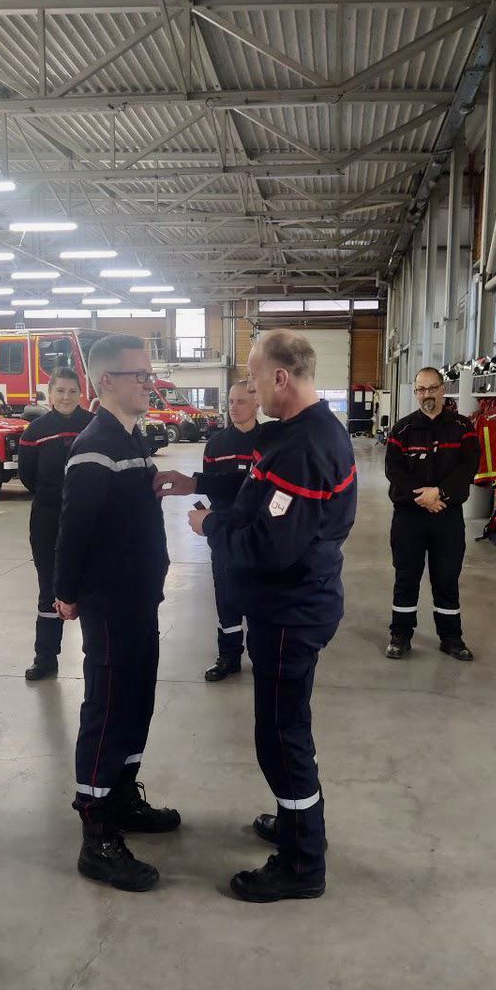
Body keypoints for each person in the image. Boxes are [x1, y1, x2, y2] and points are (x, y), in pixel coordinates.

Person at [155, 330, 357, 903]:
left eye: (252, 373)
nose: (245, 385)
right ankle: (296, 822)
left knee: (280, 735)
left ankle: (302, 863)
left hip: (291, 611)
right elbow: (252, 486)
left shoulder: (303, 447)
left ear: (281, 378)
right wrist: (196, 483)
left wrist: (207, 526)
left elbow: (271, 546)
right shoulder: (299, 433)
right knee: (287, 726)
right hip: (295, 603)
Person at [54, 334, 180, 894]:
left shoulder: (132, 439)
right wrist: (65, 591)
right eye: (139, 376)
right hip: (109, 603)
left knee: (137, 701)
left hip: (139, 599)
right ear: (106, 382)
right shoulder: (94, 446)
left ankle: (123, 797)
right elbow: (72, 529)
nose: (148, 384)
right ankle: (97, 832)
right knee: (106, 709)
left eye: (149, 375)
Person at [384, 366, 480, 662]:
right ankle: (400, 635)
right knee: (406, 577)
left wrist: (440, 494)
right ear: (416, 393)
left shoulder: (463, 428)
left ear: (443, 389)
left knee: (446, 579)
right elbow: (393, 470)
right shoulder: (401, 429)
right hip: (409, 517)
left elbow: (468, 466)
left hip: (447, 517)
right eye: (421, 390)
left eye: (432, 388)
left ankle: (451, 638)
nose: (427, 394)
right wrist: (423, 496)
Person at [18, 368, 93, 681]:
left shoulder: (94, 425)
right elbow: (27, 476)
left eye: (72, 391)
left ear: (80, 394)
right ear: (50, 394)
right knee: (49, 588)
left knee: (91, 588)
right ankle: (46, 657)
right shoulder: (35, 430)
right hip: (48, 519)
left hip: (90, 518)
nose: (66, 397)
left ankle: (97, 656)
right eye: (60, 391)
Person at [200, 379, 262, 682]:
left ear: (256, 404)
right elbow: (212, 487)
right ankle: (229, 655)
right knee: (225, 594)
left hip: (260, 531)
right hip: (224, 530)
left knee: (261, 593)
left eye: (241, 402)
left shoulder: (271, 441)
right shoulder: (216, 445)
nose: (233, 408)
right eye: (230, 402)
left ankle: (263, 655)